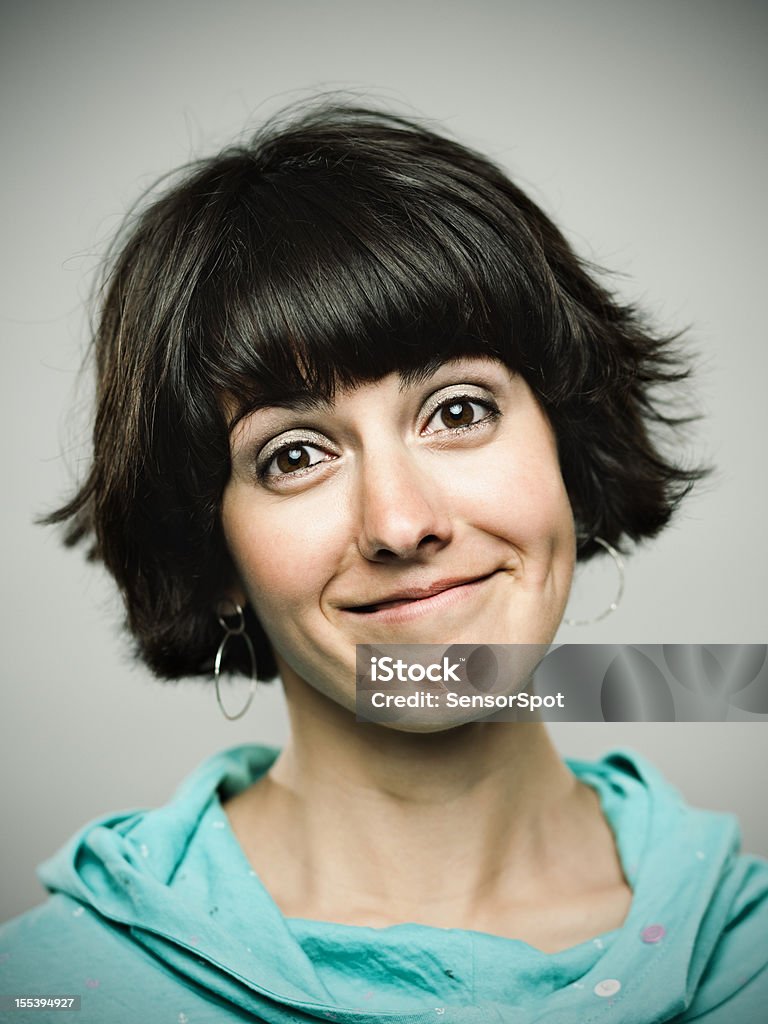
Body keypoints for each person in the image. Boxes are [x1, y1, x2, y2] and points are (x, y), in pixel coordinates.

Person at [1, 102, 766, 1023]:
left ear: (568, 443)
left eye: (457, 410)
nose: (400, 525)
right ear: (213, 554)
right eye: (292, 455)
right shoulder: (53, 992)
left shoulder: (751, 957)